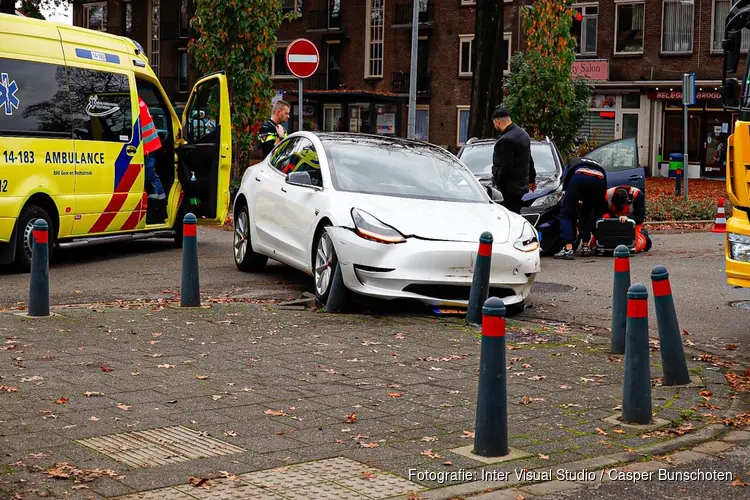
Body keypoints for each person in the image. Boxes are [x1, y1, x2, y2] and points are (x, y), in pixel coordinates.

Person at [554, 157, 608, 260]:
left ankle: (568, 249)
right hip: (600, 179)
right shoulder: (595, 163)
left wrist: (572, 200)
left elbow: (565, 183)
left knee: (565, 213)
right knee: (587, 212)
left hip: (579, 177)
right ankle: (586, 246)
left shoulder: (571, 162)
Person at [490, 106, 536, 214]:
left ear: (498, 122)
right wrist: (532, 179)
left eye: (494, 123)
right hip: (520, 186)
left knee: (508, 216)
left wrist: (498, 184)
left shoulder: (506, 140)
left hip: (509, 189)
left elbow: (505, 167)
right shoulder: (523, 134)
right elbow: (529, 158)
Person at [138, 96, 167, 222]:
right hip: (149, 146)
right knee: (149, 176)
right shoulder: (139, 101)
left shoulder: (136, 103)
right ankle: (157, 204)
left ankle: (159, 205)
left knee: (150, 175)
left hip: (147, 147)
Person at [602, 185, 652, 253]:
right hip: (612, 221)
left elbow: (640, 218)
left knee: (633, 246)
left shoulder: (637, 195)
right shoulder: (607, 195)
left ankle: (643, 237)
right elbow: (600, 215)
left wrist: (627, 219)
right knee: (595, 244)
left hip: (632, 223)